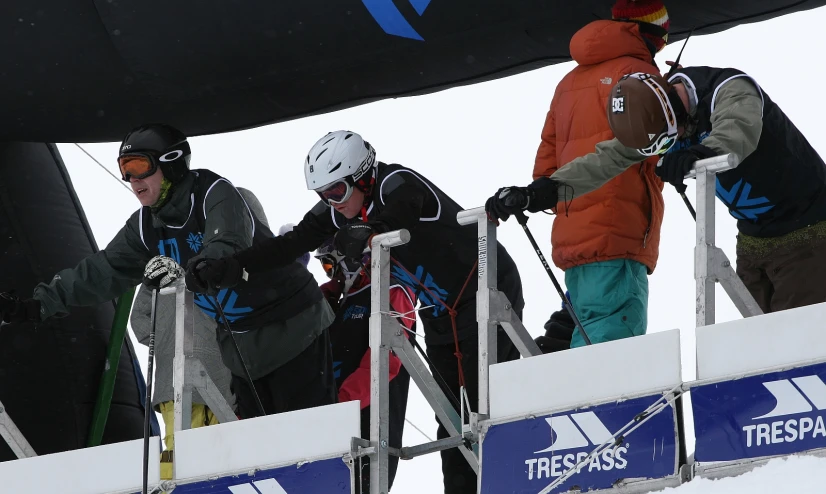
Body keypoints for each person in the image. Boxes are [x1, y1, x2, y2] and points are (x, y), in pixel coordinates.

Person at [190, 130, 526, 493]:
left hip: (488, 286)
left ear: (362, 176)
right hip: (440, 311)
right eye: (322, 195)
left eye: (336, 191)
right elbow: (289, 246)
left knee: (486, 402)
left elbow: (405, 207)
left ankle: (511, 479)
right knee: (452, 417)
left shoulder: (395, 183)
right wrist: (231, 265)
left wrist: (370, 231)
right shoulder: (341, 211)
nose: (331, 203)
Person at [0, 123, 336, 421]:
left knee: (308, 435)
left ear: (172, 164)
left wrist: (205, 267)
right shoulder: (146, 226)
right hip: (244, 346)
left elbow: (227, 240)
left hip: (293, 326)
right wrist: (36, 305)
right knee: (262, 449)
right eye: (125, 170)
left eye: (139, 166)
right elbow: (99, 272)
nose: (132, 180)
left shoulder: (214, 195)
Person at [494, 67, 826, 314]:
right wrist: (543, 191)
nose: (672, 145)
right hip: (755, 240)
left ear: (673, 111)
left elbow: (737, 135)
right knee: (761, 343)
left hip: (811, 229)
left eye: (671, 139)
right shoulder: (657, 120)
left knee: (798, 338)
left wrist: (696, 152)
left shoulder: (731, 90)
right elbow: (608, 158)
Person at [488, 0, 668, 349]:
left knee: (584, 337)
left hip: (574, 235)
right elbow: (660, 147)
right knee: (612, 346)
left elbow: (545, 168)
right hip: (622, 232)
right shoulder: (642, 75)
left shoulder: (568, 83)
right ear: (654, 32)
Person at [130, 187, 276, 479]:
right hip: (213, 380)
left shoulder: (168, 267)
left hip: (186, 381)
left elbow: (140, 322)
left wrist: (168, 341)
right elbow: (141, 321)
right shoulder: (216, 267)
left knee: (185, 457)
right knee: (215, 458)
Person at [314, 237, 415, 492]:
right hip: (331, 424)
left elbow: (384, 364)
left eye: (330, 266)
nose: (332, 275)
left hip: (368, 428)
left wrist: (341, 404)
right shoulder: (337, 301)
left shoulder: (391, 290)